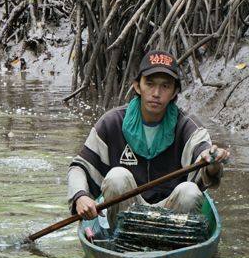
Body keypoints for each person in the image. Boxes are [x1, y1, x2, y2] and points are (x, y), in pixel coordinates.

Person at [68, 49, 229, 233]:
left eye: (165, 86)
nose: (156, 93)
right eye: (150, 84)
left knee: (190, 192)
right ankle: (122, 239)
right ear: (137, 86)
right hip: (125, 215)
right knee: (117, 177)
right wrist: (80, 196)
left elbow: (204, 156)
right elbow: (79, 167)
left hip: (172, 214)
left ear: (175, 91)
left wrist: (212, 162)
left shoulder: (187, 126)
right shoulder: (112, 122)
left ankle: (175, 244)